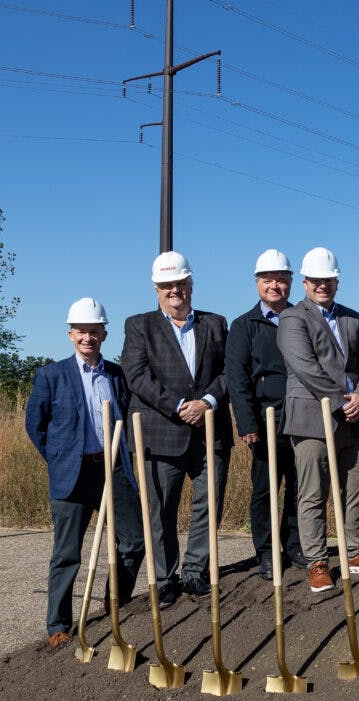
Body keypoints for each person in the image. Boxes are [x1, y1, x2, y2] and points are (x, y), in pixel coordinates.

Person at [25, 298, 146, 648]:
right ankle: (58, 626)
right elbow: (36, 425)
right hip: (72, 475)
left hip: (113, 470)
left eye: (94, 332)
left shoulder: (116, 374)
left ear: (104, 334)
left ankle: (115, 599)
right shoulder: (51, 375)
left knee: (135, 541)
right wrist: (60, 457)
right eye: (81, 332)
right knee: (66, 554)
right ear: (70, 334)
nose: (87, 338)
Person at [120, 251, 232, 609]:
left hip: (208, 431)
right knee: (160, 511)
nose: (175, 292)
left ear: (191, 285)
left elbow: (230, 372)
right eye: (167, 286)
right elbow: (136, 376)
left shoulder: (215, 323)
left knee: (209, 504)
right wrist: (179, 406)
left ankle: (195, 571)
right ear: (156, 290)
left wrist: (208, 402)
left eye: (180, 284)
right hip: (160, 433)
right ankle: (165, 578)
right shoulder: (139, 326)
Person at [277, 246, 359, 593]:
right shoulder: (293, 318)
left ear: (336, 281)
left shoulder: (352, 317)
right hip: (311, 418)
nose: (323, 285)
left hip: (353, 417)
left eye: (329, 280)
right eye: (317, 281)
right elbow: (305, 366)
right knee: (312, 492)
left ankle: (355, 551)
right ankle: (318, 562)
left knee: (358, 484)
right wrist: (341, 400)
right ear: (306, 283)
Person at [225, 249, 305, 580]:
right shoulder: (245, 326)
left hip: (301, 416)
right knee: (265, 488)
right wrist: (247, 422)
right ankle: (267, 550)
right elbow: (237, 377)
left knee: (301, 486)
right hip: (265, 419)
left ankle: (296, 543)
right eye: (268, 280)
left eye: (281, 280)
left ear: (290, 283)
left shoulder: (302, 318)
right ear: (258, 283)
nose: (275, 286)